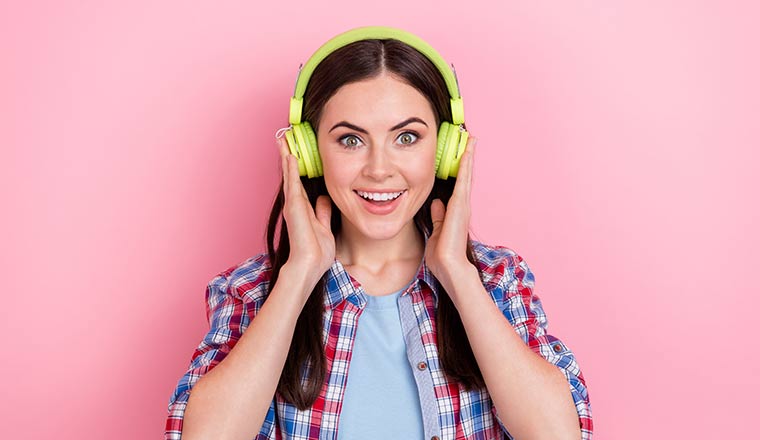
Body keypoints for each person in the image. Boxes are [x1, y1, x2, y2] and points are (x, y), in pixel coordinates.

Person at [165, 26, 593, 440]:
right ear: (308, 153)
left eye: (407, 137)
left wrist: (458, 275)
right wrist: (298, 274)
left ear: (446, 151)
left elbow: (559, 435)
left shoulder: (497, 280)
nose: (379, 168)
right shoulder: (253, 290)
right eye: (350, 140)